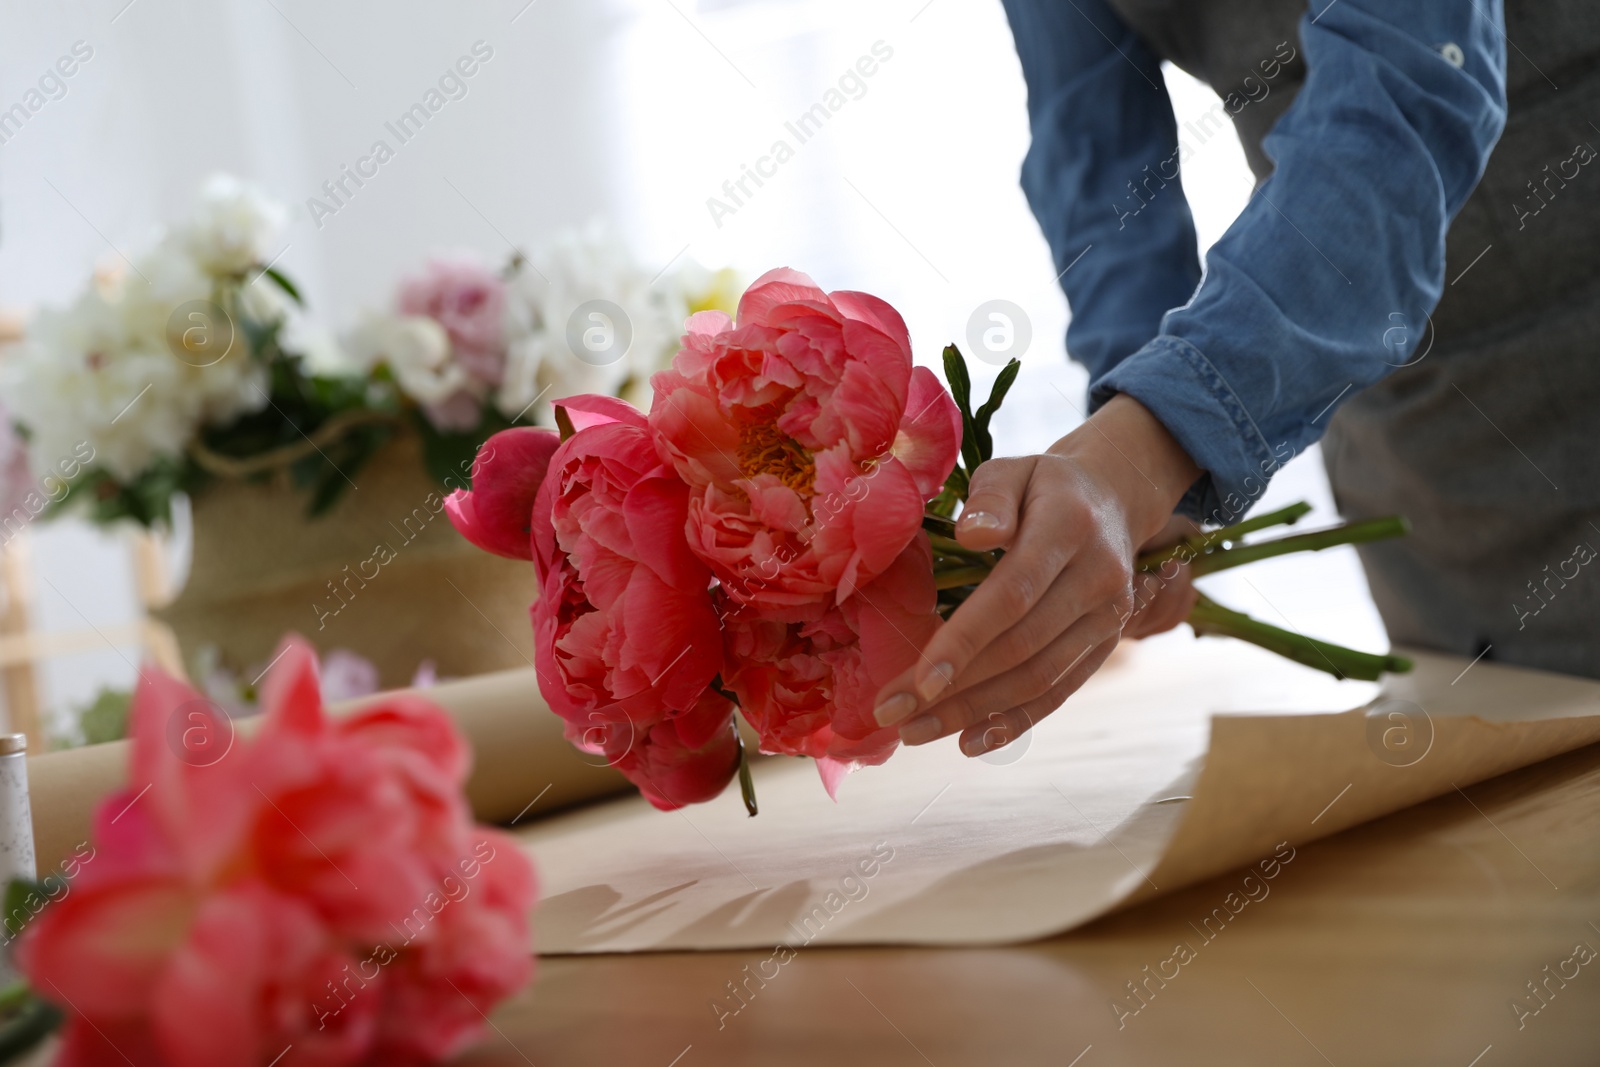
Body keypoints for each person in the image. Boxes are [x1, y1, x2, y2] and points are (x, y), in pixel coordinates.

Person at [873, 0, 1600, 758]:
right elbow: (1100, 164)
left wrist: (1144, 448)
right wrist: (1152, 486)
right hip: (1416, 460)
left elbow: (1408, 85)